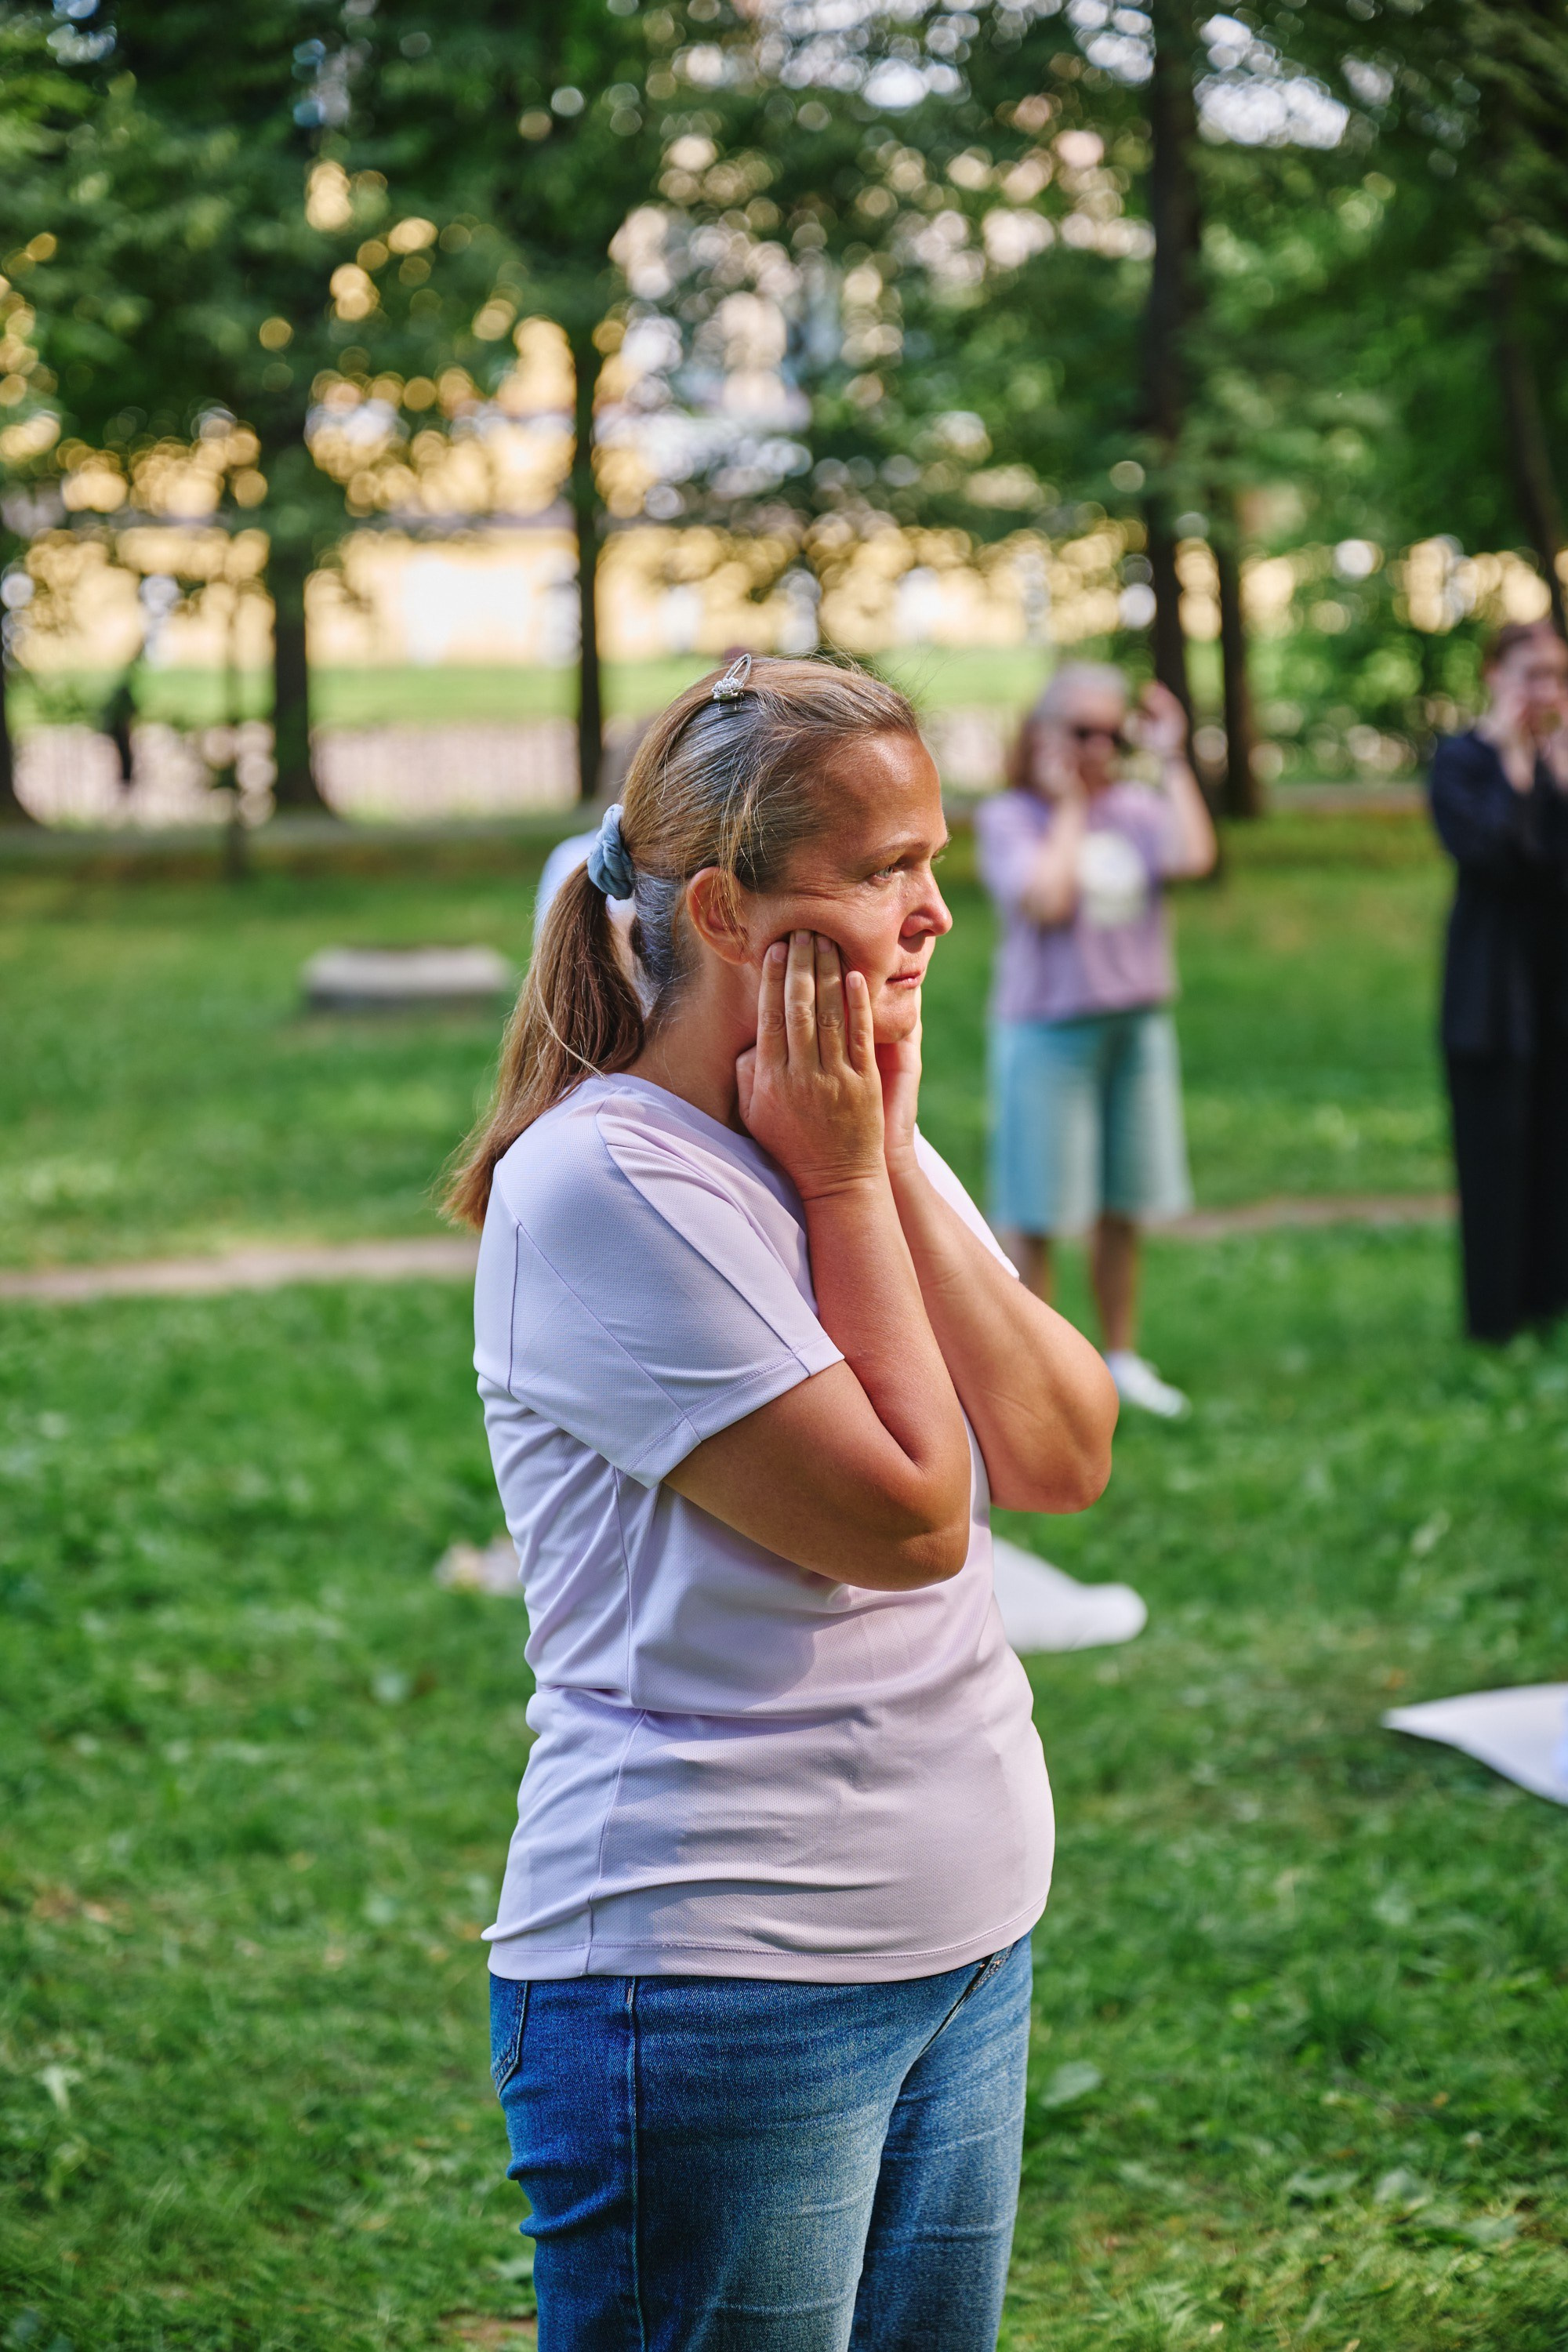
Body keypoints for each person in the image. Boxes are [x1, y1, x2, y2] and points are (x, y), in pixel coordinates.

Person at [445, 653, 1118, 2352]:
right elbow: (912, 1523)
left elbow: (1061, 1454)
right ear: (725, 911)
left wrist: (876, 1158)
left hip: (962, 1944)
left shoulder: (837, 1116)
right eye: (887, 869)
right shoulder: (602, 1184)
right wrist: (841, 1176)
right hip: (717, 1984)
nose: (936, 914)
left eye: (935, 860)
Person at [975, 662, 1218, 1418]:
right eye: (1084, 732)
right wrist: (1071, 807)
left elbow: (1194, 857)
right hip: (1048, 1030)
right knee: (1039, 1211)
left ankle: (1120, 1359)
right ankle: (1040, 1380)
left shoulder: (1138, 809)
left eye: (1114, 734)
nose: (1101, 749)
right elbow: (1046, 900)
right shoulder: (1011, 817)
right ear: (1044, 731)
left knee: (1122, 1202)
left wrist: (1171, 754)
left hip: (1135, 1026)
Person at [1428, 619, 1568, 1341]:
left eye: (1558, 678)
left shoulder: (1562, 765)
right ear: (1495, 676)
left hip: (1556, 992)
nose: (1546, 692)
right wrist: (1515, 767)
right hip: (1490, 996)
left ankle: (1552, 1303)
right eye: (1532, 676)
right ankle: (1495, 1319)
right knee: (1494, 1155)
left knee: (1557, 1152)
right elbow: (1490, 856)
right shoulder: (1462, 761)